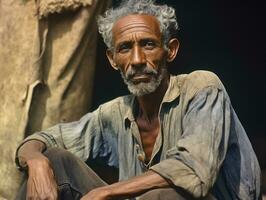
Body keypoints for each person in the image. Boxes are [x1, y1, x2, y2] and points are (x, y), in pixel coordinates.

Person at [15, 0, 261, 199]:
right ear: (113, 60)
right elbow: (41, 139)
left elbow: (193, 170)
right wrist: (37, 162)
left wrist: (108, 191)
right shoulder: (114, 113)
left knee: (167, 193)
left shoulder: (202, 87)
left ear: (170, 50)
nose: (137, 60)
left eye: (148, 44)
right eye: (124, 48)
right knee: (54, 160)